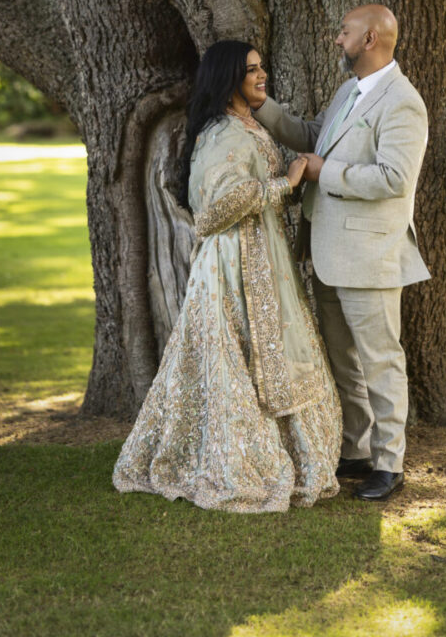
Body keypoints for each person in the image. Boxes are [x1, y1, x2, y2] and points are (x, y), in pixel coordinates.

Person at [113, 41, 342, 513]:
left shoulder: (248, 124)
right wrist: (287, 183)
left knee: (265, 357)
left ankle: (291, 452)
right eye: (251, 71)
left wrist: (291, 188)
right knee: (236, 361)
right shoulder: (222, 133)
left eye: (262, 68)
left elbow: (258, 190)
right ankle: (236, 459)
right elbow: (214, 213)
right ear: (229, 79)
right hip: (232, 264)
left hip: (265, 258)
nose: (262, 77)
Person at [254, 5, 430, 501]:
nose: (337, 39)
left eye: (345, 32)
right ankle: (356, 450)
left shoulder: (403, 103)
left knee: (380, 361)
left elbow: (394, 179)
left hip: (370, 256)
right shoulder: (349, 91)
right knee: (343, 360)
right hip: (328, 251)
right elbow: (313, 136)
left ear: (370, 38)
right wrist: (261, 105)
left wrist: (321, 174)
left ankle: (390, 464)